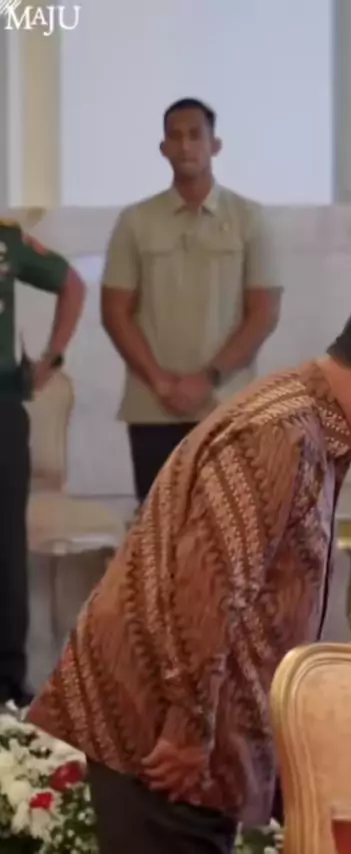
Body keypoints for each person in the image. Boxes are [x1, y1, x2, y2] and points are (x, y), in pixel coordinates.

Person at [27, 298, 351, 854]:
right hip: (162, 733)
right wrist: (188, 730)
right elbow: (208, 588)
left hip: (192, 730)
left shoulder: (307, 423)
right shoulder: (279, 433)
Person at [101, 97, 281, 503]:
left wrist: (208, 379)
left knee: (228, 527)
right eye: (175, 137)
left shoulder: (249, 218)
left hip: (227, 408)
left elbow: (263, 313)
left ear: (215, 145)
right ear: (163, 148)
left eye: (195, 135)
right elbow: (115, 312)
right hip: (153, 407)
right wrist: (160, 381)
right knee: (160, 529)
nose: (185, 146)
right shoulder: (136, 221)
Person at [0, 219, 85, 709]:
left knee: (5, 549)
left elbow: (70, 282)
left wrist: (51, 359)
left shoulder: (6, 240)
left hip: (0, 408)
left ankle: (7, 681)